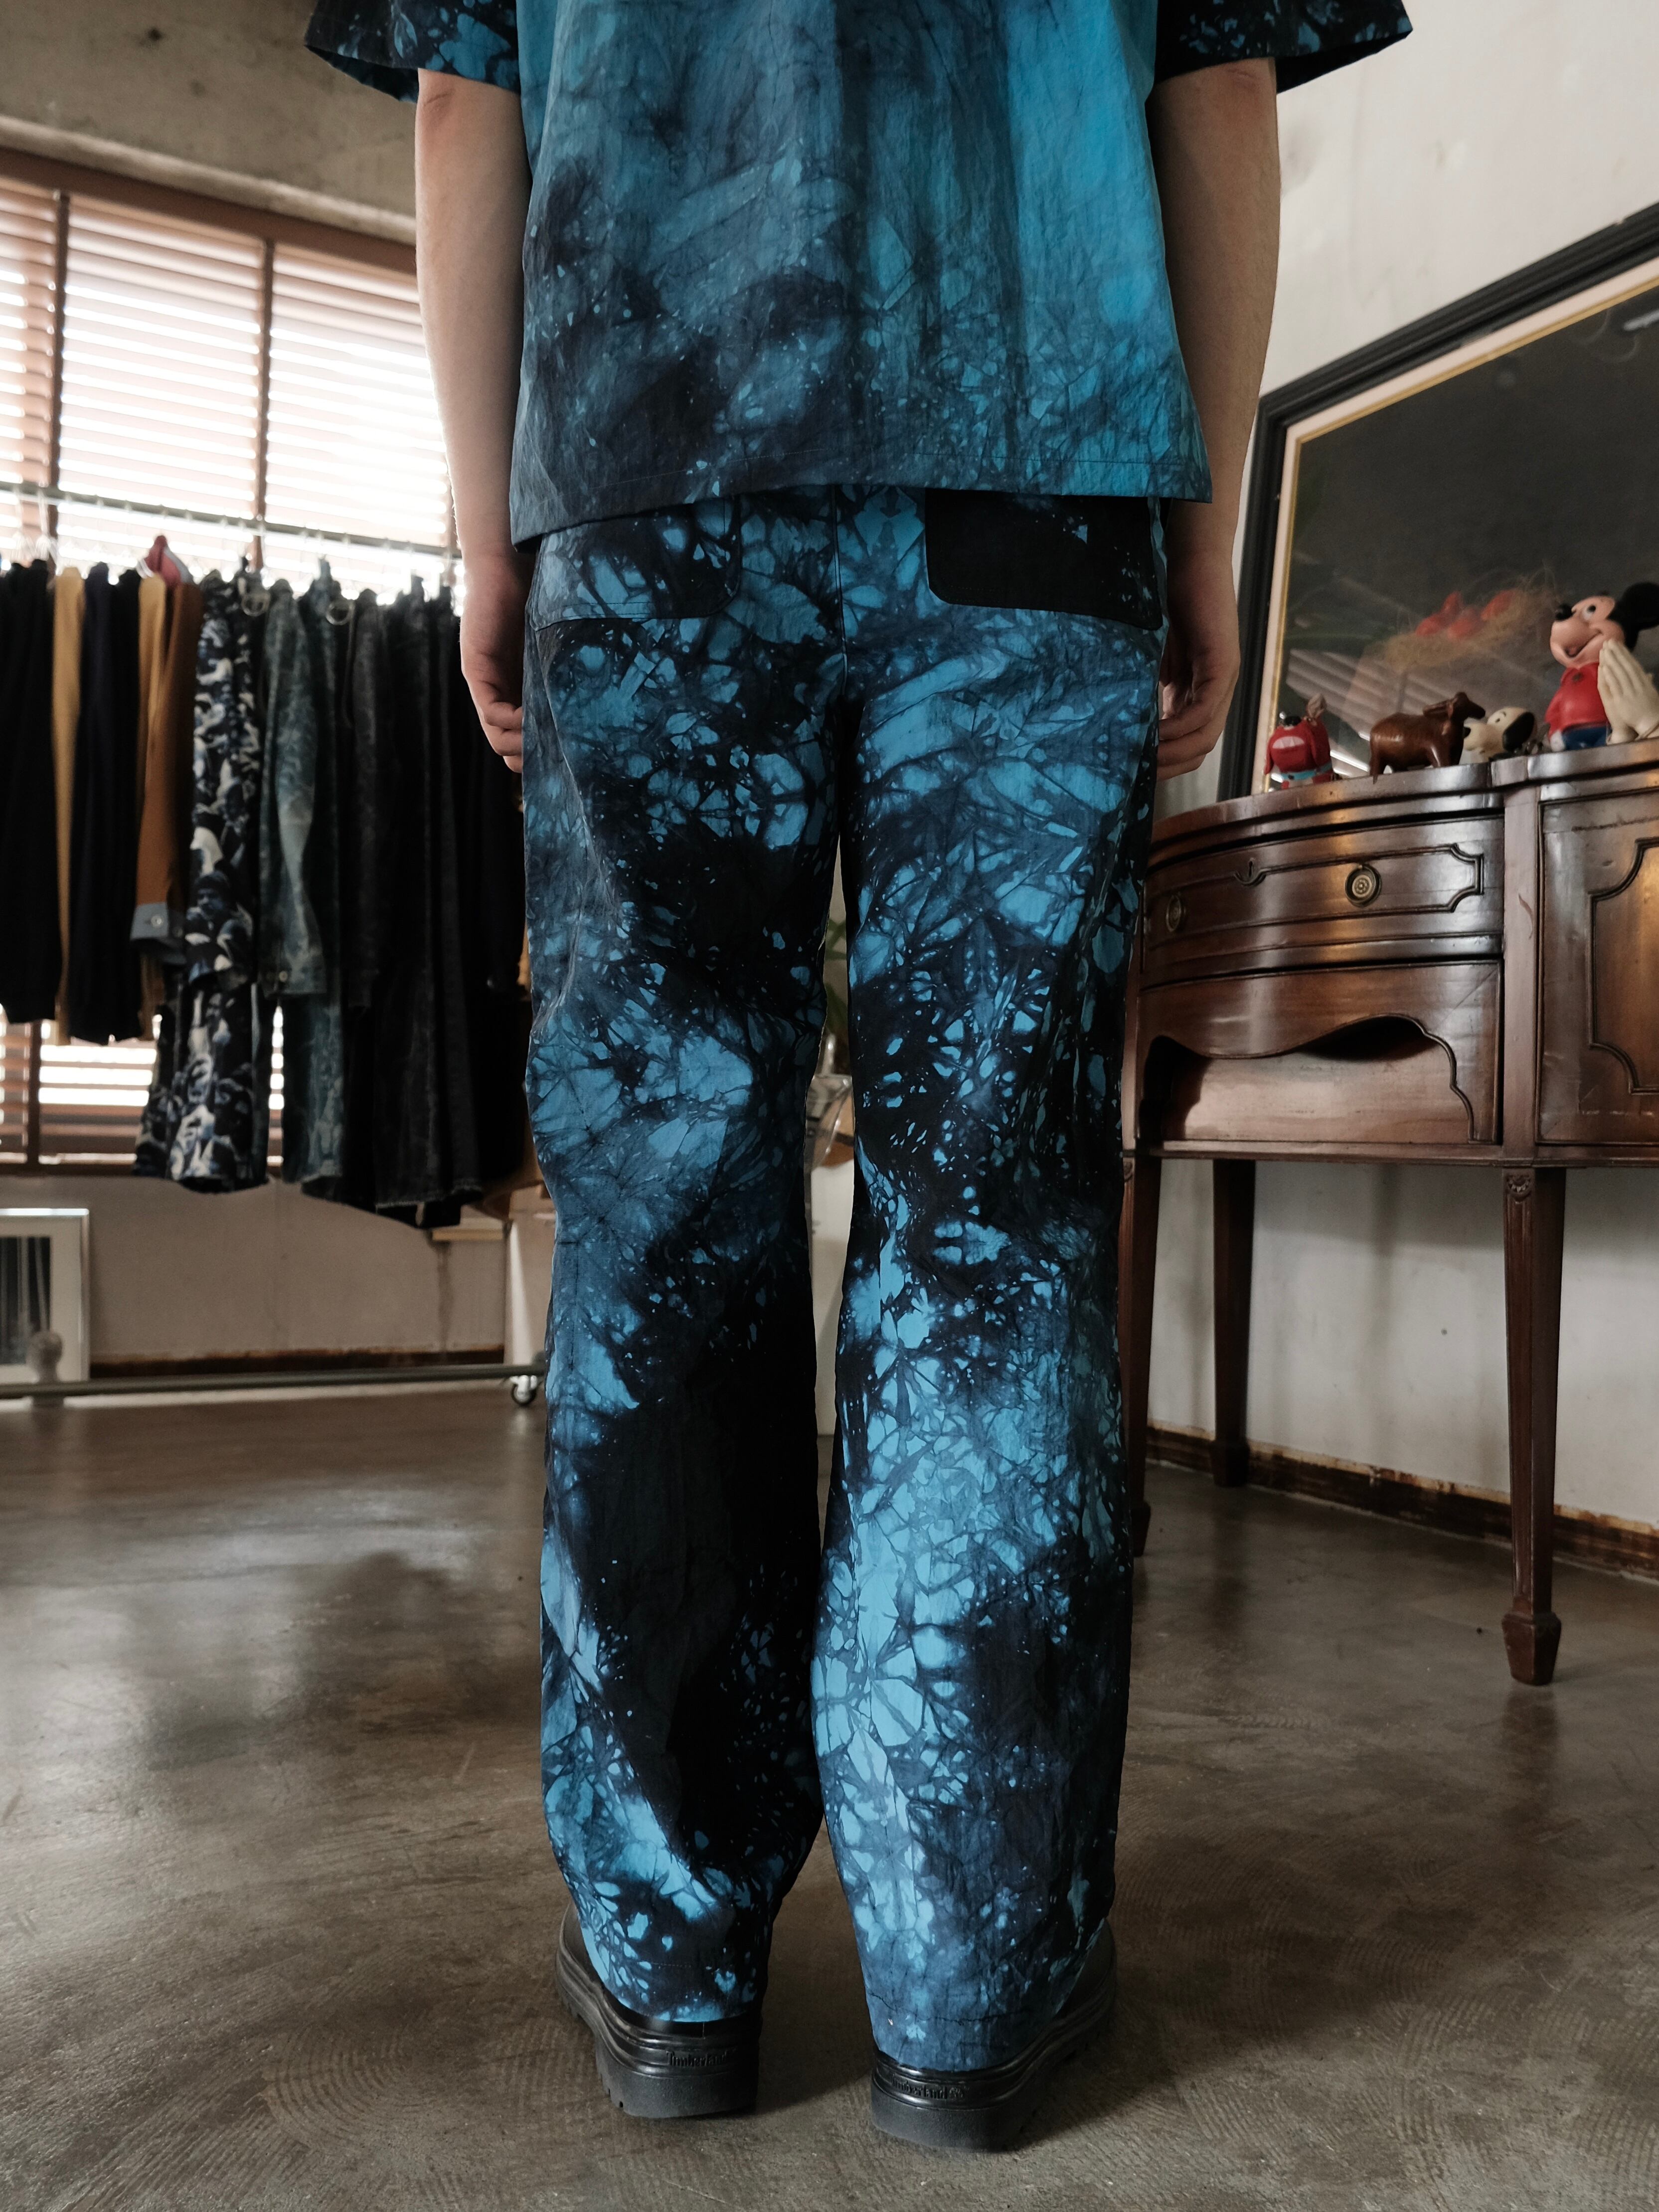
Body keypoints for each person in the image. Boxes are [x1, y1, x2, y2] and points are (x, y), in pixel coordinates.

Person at [308, 0, 1411, 2151]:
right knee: (991, 1217)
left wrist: (486, 532)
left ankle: (672, 1964)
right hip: (1041, 462)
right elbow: (1214, 90)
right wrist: (1199, 523)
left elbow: (463, 105)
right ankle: (970, 1980)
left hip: (650, 460)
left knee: (664, 1217)